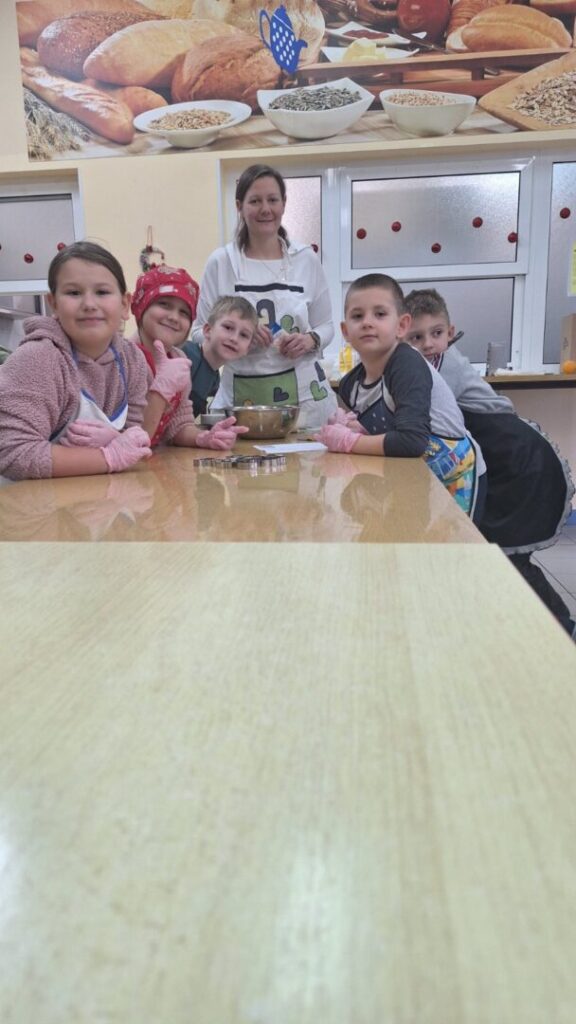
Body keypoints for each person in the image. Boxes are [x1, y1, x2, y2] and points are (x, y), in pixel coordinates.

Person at [404, 286, 576, 638]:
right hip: (501, 465)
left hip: (519, 465)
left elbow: (422, 416)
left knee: (507, 556)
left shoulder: (444, 367)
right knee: (495, 553)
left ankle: (562, 628)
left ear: (450, 333)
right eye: (417, 337)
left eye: (436, 333)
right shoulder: (425, 366)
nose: (428, 344)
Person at [317, 273, 486, 519]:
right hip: (412, 474)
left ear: (402, 326)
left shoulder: (407, 365)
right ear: (345, 331)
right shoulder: (350, 385)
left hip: (456, 478)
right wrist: (355, 427)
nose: (367, 322)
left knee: (448, 545)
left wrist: (348, 441)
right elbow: (388, 432)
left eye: (380, 314)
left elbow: (411, 441)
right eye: (357, 316)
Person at [191, 163, 338, 428]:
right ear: (239, 206)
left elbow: (326, 326)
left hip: (306, 396)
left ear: (284, 204)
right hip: (243, 397)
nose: (265, 209)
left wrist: (310, 340)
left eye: (272, 200)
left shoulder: (305, 259)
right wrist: (239, 337)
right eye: (255, 201)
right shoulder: (221, 262)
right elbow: (199, 331)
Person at [0, 241, 152, 481]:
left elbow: (132, 436)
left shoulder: (132, 360)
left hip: (99, 493)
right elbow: (13, 452)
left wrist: (118, 440)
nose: (89, 304)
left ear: (125, 304)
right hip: (30, 499)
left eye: (102, 292)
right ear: (53, 304)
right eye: (73, 293)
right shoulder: (37, 359)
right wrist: (108, 457)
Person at [130, 266, 248, 450]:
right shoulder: (125, 359)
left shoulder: (178, 357)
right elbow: (129, 437)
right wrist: (162, 389)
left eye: (184, 312)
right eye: (164, 304)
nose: (174, 317)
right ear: (141, 306)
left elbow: (179, 425)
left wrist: (203, 437)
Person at [182, 295, 259, 415]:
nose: (234, 339)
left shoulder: (214, 379)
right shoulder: (185, 356)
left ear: (248, 348)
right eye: (228, 327)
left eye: (243, 335)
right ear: (208, 330)